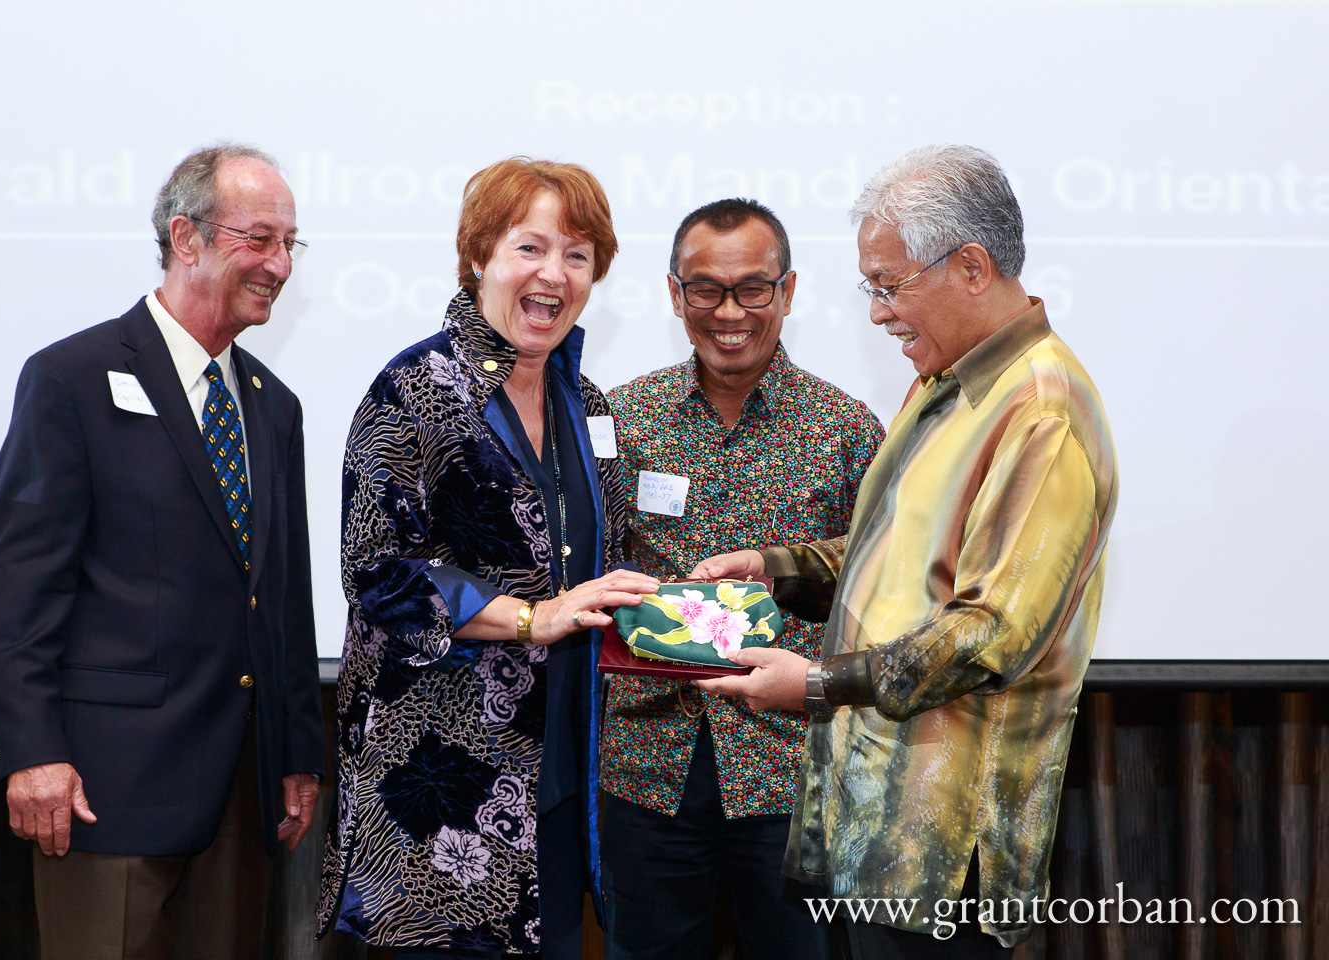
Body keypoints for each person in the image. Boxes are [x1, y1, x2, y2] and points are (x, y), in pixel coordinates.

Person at [694, 145, 1118, 957]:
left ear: (969, 266)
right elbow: (893, 556)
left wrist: (816, 683)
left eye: (890, 286)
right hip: (869, 833)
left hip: (944, 852)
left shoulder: (1043, 411)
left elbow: (991, 630)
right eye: (871, 288)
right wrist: (772, 570)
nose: (879, 312)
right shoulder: (945, 383)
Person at [0, 143, 324, 959]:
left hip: (243, 794)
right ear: (186, 237)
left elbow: (282, 597)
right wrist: (32, 752)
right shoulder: (72, 376)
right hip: (107, 788)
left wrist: (297, 750)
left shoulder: (273, 407)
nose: (279, 264)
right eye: (260, 239)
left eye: (290, 245)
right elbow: (23, 586)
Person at [318, 157, 659, 959]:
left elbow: (603, 569)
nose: (554, 275)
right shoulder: (414, 388)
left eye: (577, 257)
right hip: (443, 796)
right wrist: (532, 618)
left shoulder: (590, 405)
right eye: (531, 248)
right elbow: (376, 572)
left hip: (563, 784)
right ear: (479, 257)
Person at [598, 198, 882, 960]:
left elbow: (881, 586)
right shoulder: (622, 419)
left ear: (786, 292)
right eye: (707, 289)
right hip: (645, 763)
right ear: (674, 293)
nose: (730, 312)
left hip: (793, 770)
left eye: (753, 289)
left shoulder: (846, 428)